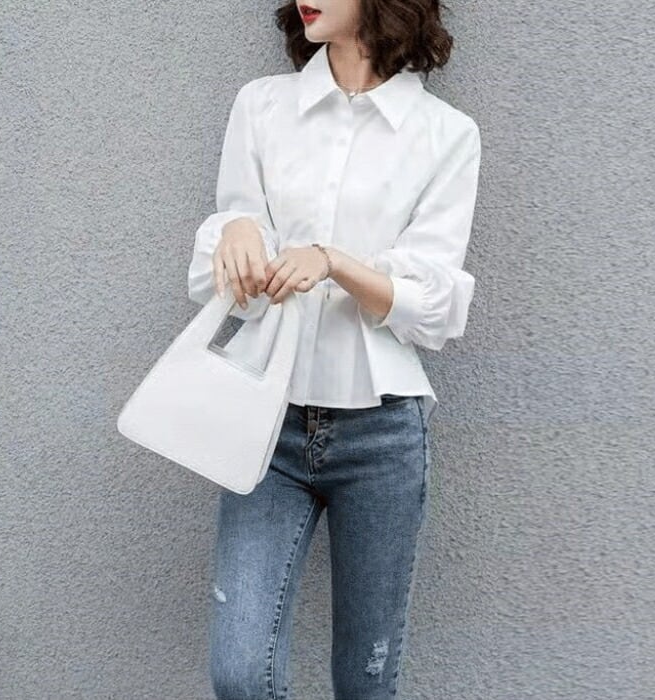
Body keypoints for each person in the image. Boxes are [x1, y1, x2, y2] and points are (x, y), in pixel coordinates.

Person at [187, 1, 482, 697]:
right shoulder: (262, 106)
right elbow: (229, 274)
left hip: (382, 433)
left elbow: (432, 308)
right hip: (267, 425)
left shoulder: (446, 134)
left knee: (365, 680)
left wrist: (332, 261)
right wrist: (234, 230)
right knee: (239, 674)